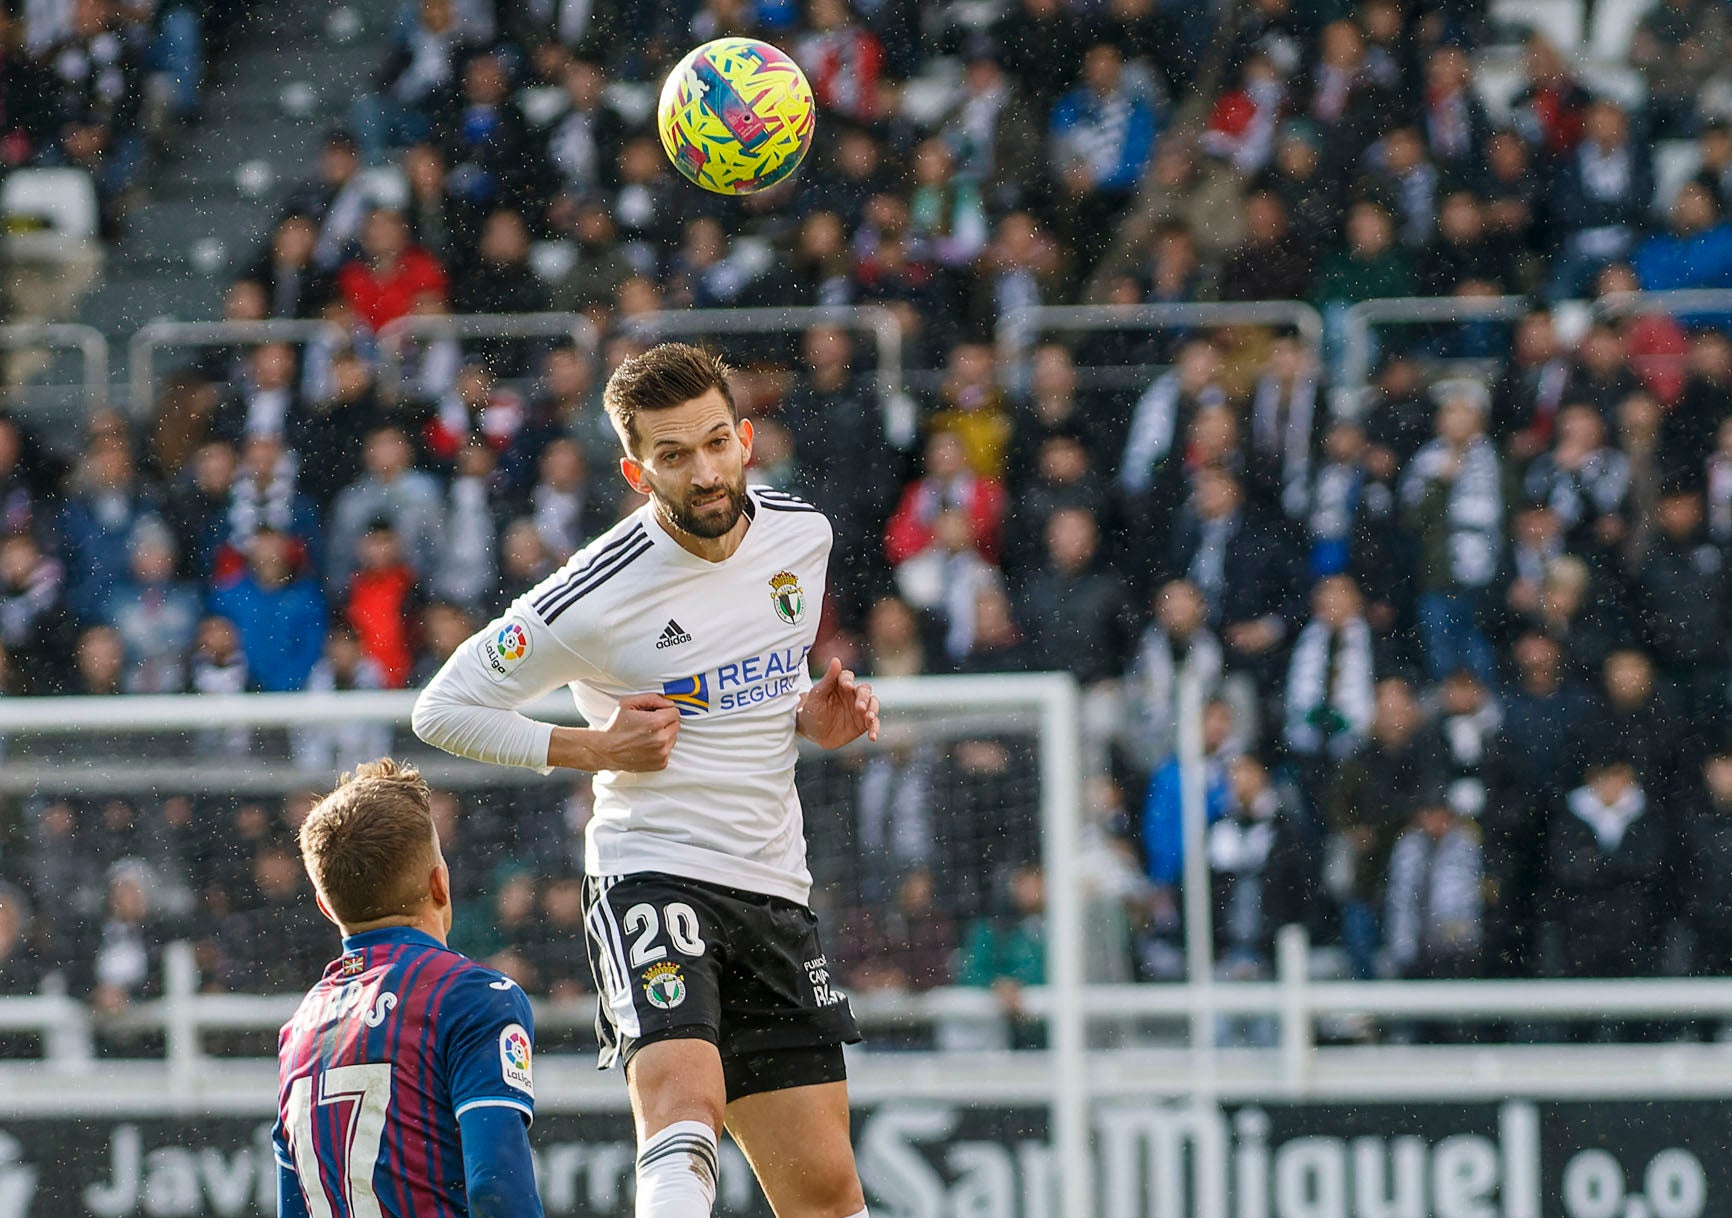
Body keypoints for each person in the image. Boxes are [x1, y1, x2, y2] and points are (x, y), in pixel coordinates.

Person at [414, 343, 879, 1218]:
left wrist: (815, 722)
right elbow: (441, 709)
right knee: (683, 1108)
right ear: (637, 471)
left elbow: (762, 693)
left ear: (745, 439)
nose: (704, 472)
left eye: (715, 444)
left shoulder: (801, 537)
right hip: (651, 869)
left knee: (825, 1190)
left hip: (773, 886)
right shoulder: (593, 590)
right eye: (673, 456)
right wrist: (594, 749)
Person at [274, 759, 543, 1218]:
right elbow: (497, 1190)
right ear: (441, 883)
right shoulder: (472, 997)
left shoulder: (300, 1027)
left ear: (325, 906)